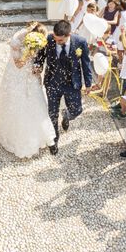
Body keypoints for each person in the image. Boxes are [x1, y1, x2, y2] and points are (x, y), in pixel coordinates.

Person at [0, 23, 55, 158]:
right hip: (17, 74)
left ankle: (40, 133)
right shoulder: (17, 41)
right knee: (17, 102)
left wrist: (38, 69)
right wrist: (29, 53)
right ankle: (19, 137)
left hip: (31, 75)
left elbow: (41, 56)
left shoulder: (40, 38)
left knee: (36, 101)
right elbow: (19, 64)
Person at [34, 20, 93, 155]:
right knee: (52, 114)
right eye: (55, 38)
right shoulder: (49, 39)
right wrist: (37, 65)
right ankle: (54, 140)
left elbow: (86, 63)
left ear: (69, 35)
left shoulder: (80, 42)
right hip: (52, 82)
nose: (56, 41)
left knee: (77, 110)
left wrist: (88, 83)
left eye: (60, 40)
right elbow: (40, 56)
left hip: (72, 84)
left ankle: (66, 115)